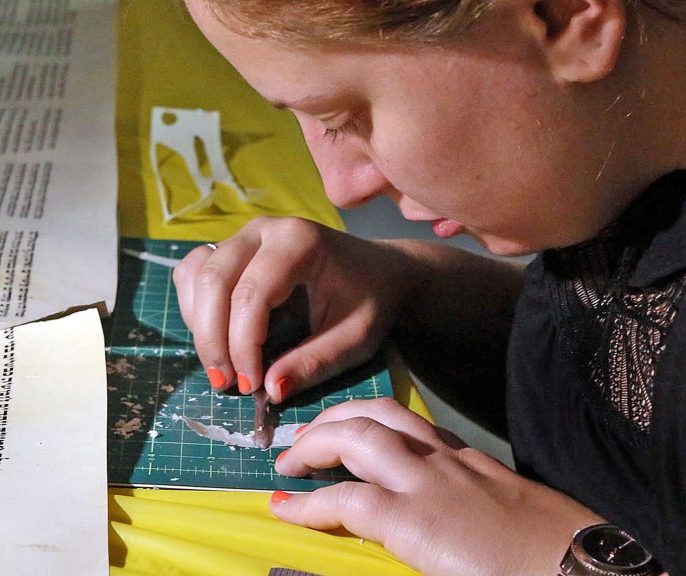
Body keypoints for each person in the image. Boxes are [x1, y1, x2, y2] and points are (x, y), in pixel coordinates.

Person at [171, 0, 686, 574]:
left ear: (564, 15)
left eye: (343, 118)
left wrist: (552, 560)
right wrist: (407, 285)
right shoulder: (624, 179)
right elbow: (614, 391)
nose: (341, 188)